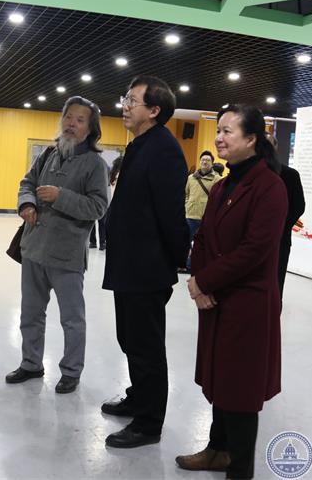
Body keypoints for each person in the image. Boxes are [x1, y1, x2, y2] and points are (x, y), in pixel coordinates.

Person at [176, 104, 287, 480]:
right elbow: (204, 237)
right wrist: (198, 280)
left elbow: (255, 250)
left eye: (228, 131)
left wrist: (203, 281)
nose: (219, 138)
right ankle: (217, 450)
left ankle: (240, 469)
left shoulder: (270, 186)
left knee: (240, 389)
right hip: (217, 299)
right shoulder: (224, 185)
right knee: (220, 379)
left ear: (251, 139)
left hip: (247, 303)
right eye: (218, 130)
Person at [102, 76, 189, 448]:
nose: (124, 106)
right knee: (129, 338)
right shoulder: (141, 145)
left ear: (154, 110)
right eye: (125, 98)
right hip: (129, 264)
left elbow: (171, 215)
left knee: (146, 347)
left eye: (132, 100)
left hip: (147, 268)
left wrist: (175, 260)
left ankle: (149, 423)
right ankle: (139, 397)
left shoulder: (164, 150)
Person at [5, 96, 108, 394]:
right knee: (30, 314)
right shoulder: (49, 154)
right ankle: (31, 363)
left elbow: (98, 207)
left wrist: (60, 196)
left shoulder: (95, 164)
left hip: (66, 255)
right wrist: (27, 204)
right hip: (34, 249)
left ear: (90, 129)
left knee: (72, 319)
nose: (71, 124)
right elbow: (27, 183)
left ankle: (71, 371)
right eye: (68, 117)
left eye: (79, 120)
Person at [266, 133, 306, 295]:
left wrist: (281, 226)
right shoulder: (247, 175)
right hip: (249, 241)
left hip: (280, 240)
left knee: (276, 284)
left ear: (275, 148)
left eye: (269, 145)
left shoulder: (290, 175)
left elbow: (298, 206)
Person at [184, 150, 221, 271]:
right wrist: (187, 204)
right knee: (187, 242)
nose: (205, 162)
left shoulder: (217, 179)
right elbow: (186, 194)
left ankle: (199, 264)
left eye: (208, 160)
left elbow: (218, 198)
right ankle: (187, 265)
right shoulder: (191, 178)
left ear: (212, 163)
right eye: (203, 160)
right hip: (190, 215)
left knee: (202, 243)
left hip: (206, 217)